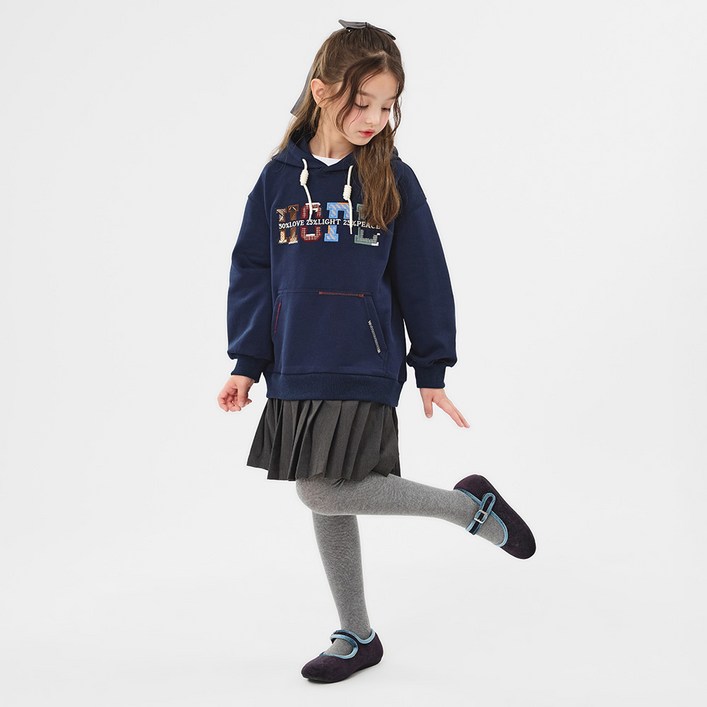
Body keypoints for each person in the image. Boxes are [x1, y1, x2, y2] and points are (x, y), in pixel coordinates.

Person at [216, 19, 536, 683]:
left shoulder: (392, 177)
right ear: (321, 91)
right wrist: (247, 362)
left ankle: (469, 510)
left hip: (363, 359)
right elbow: (253, 271)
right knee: (329, 492)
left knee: (319, 489)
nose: (374, 118)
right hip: (293, 363)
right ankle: (357, 633)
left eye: (387, 106)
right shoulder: (278, 178)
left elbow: (424, 276)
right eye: (362, 103)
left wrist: (431, 366)